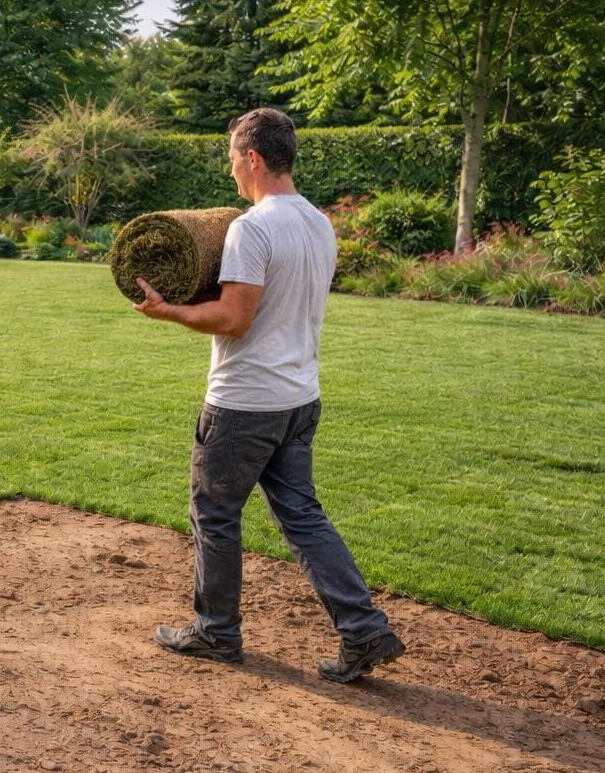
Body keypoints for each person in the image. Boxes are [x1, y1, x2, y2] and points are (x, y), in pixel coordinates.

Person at [132, 108, 404, 683]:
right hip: (299, 396)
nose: (231, 171)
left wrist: (167, 311)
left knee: (214, 512)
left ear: (252, 158)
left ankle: (216, 632)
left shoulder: (251, 227)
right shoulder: (318, 221)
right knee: (302, 516)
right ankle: (363, 630)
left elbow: (235, 318)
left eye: (233, 159)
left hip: (244, 401)